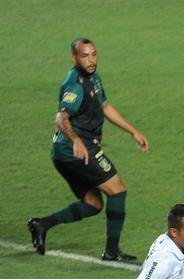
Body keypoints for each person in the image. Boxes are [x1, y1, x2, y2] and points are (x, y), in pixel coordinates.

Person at [27, 38, 149, 263]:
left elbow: (105, 106)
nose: (91, 60)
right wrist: (77, 141)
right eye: (85, 56)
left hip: (67, 152)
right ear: (74, 58)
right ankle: (112, 252)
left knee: (93, 204)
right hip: (75, 150)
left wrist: (133, 131)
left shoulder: (94, 78)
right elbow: (61, 118)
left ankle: (41, 224)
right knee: (117, 190)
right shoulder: (74, 85)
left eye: (93, 54)